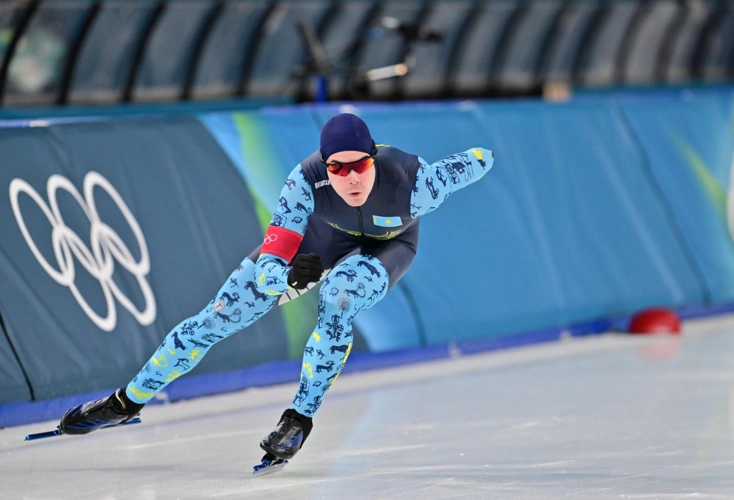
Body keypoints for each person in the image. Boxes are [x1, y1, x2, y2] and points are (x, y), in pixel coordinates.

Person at [58, 113, 494, 467]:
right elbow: (274, 251)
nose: (351, 177)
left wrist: (483, 151)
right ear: (324, 167)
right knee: (217, 316)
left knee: (339, 298)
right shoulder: (304, 181)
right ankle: (126, 401)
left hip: (389, 245)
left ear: (374, 158)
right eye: (337, 168)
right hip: (323, 238)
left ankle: (298, 419)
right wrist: (283, 277)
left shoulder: (416, 184)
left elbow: (477, 159)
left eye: (360, 164)